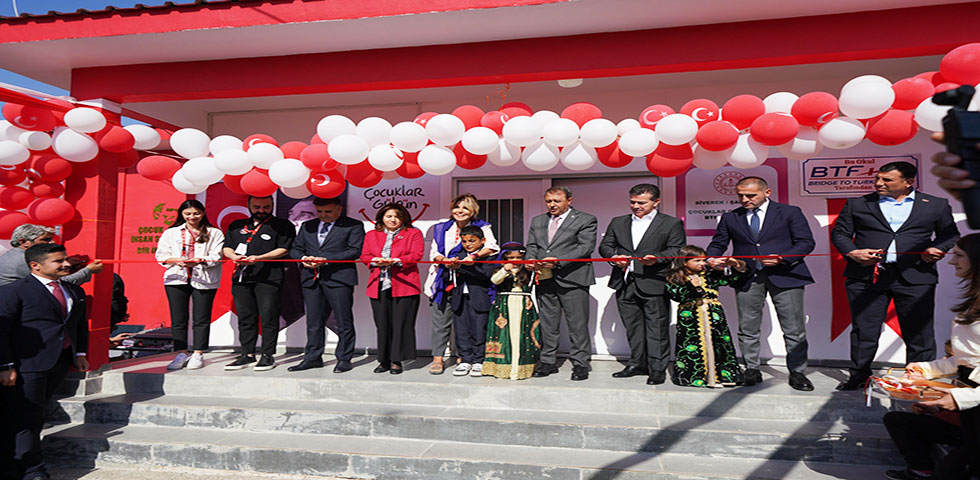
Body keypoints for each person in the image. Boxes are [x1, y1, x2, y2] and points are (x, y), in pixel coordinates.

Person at [831, 161, 960, 391]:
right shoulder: (857, 203)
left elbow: (949, 234)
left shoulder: (936, 204)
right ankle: (859, 376)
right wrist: (852, 252)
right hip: (866, 277)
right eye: (877, 178)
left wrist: (937, 248)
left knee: (919, 332)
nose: (878, 183)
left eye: (887, 180)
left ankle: (919, 378)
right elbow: (840, 233)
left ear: (908, 182)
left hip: (916, 276)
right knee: (864, 331)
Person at [882, 233, 980, 480]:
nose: (951, 261)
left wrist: (959, 398)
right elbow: (967, 358)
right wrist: (926, 369)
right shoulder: (974, 300)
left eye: (959, 255)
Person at [706, 176, 816, 391]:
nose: (744, 199)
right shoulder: (730, 217)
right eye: (740, 196)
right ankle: (751, 369)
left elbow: (805, 242)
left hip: (786, 275)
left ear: (767, 192)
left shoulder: (790, 212)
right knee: (748, 326)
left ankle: (797, 372)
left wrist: (783, 258)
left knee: (794, 328)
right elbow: (718, 243)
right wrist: (711, 258)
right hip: (747, 276)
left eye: (750, 195)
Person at [0, 243, 89, 480]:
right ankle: (31, 469)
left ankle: (19, 464)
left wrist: (80, 353)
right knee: (26, 416)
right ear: (35, 265)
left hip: (59, 362)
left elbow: (79, 324)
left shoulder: (73, 291)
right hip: (25, 365)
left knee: (35, 413)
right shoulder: (14, 291)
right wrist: (5, 365)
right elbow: (2, 330)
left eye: (65, 259)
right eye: (58, 261)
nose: (66, 264)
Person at [598, 183, 685, 385]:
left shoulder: (670, 223)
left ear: (656, 202)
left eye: (642, 203)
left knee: (657, 328)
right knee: (633, 328)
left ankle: (657, 368)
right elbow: (605, 246)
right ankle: (637, 364)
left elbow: (677, 249)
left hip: (654, 282)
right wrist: (614, 258)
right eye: (633, 202)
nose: (636, 206)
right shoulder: (618, 222)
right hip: (625, 282)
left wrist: (656, 258)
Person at [526, 186, 597, 381]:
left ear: (569, 200)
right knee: (548, 323)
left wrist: (558, 261)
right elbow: (532, 245)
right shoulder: (538, 221)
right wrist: (530, 260)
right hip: (545, 278)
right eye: (548, 201)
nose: (552, 205)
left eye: (557, 201)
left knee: (577, 324)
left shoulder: (586, 219)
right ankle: (548, 361)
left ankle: (581, 363)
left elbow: (585, 247)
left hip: (573, 278)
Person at [288, 197, 365, 373]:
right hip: (311, 278)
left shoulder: (353, 225)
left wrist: (326, 259)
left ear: (339, 209)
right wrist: (303, 258)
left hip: (339, 279)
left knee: (343, 321)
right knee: (313, 321)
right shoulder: (308, 226)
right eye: (320, 212)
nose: (323, 215)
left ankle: (344, 359)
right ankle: (312, 358)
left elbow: (355, 250)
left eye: (328, 212)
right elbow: (296, 248)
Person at [424, 194, 499, 375]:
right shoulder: (442, 228)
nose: (460, 211)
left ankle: (467, 358)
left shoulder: (483, 227)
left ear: (473, 211)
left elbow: (492, 247)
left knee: (470, 323)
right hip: (443, 278)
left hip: (470, 280)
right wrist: (445, 260)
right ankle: (438, 358)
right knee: (441, 320)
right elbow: (434, 253)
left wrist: (473, 257)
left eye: (466, 207)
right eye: (457, 207)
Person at [221, 195, 295, 372]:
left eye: (266, 207)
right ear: (249, 206)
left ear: (272, 205)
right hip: (242, 277)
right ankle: (247, 354)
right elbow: (227, 247)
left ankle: (267, 355)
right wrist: (235, 257)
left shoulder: (283, 225)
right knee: (245, 317)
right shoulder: (237, 225)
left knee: (269, 317)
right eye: (257, 207)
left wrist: (260, 258)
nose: (261, 210)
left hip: (269, 278)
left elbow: (284, 249)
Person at [155, 200, 225, 371]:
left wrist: (200, 260)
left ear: (203, 213)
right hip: (176, 278)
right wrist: (178, 260)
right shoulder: (171, 232)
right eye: (188, 214)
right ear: (181, 214)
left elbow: (217, 256)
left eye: (196, 213)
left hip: (204, 278)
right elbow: (161, 255)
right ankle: (181, 353)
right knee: (178, 319)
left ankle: (198, 353)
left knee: (201, 318)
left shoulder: (214, 233)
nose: (192, 217)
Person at [664, 245, 747, 388]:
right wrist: (692, 287)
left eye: (703, 260)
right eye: (697, 260)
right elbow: (676, 295)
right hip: (690, 318)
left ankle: (723, 376)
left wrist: (737, 265)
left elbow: (731, 280)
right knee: (692, 345)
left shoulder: (710, 275)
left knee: (719, 343)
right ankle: (696, 377)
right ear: (685, 262)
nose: (702, 263)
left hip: (714, 316)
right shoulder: (675, 277)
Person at [360, 203, 424, 375]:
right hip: (378, 284)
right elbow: (365, 255)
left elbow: (416, 255)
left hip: (405, 285)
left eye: (397, 216)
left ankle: (397, 360)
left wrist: (396, 261)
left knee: (401, 324)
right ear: (381, 218)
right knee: (382, 324)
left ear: (404, 218)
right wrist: (375, 261)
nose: (393, 220)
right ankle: (383, 360)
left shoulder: (413, 233)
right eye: (389, 216)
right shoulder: (372, 234)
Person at [482, 242, 541, 380]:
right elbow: (495, 281)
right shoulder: (500, 269)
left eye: (518, 257)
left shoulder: (528, 269)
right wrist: (504, 270)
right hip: (504, 305)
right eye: (511, 258)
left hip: (523, 304)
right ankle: (503, 367)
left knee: (522, 333)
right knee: (505, 335)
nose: (515, 260)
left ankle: (520, 368)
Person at [443, 225, 496, 377]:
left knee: (479, 329)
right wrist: (450, 267)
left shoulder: (488, 256)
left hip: (480, 298)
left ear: (483, 240)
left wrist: (463, 267)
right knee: (461, 330)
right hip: (459, 298)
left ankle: (479, 360)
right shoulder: (457, 254)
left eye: (472, 241)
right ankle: (465, 359)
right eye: (464, 241)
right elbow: (446, 277)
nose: (468, 244)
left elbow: (484, 275)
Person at [0, 224, 104, 287]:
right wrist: (88, 270)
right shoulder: (23, 261)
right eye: (45, 240)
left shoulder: (14, 255)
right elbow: (57, 284)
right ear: (23, 242)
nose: (52, 242)